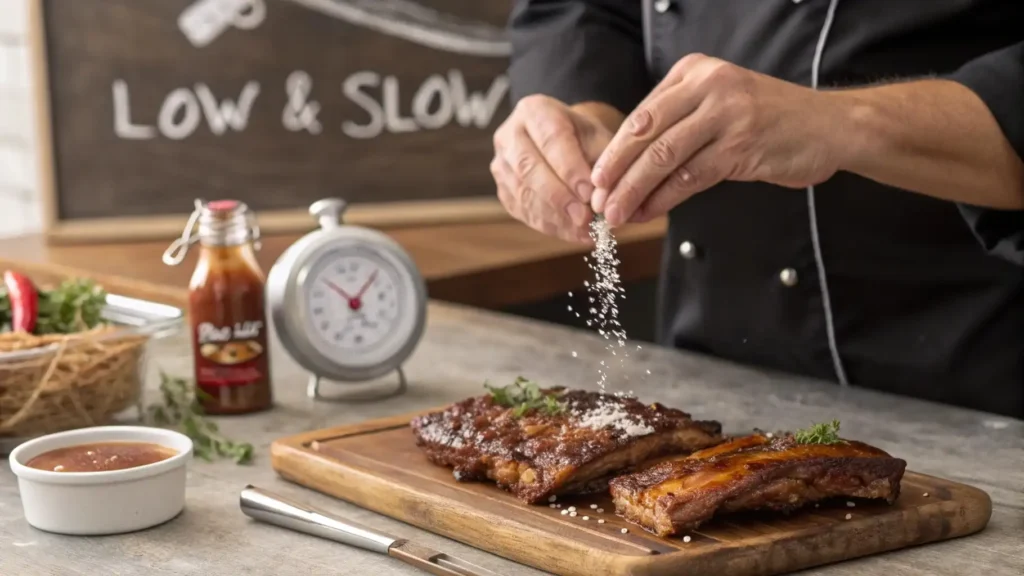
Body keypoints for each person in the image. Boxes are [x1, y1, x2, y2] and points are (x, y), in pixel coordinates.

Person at [490, 1, 1024, 419]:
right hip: (719, 370)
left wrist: (845, 122)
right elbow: (585, 10)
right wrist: (579, 105)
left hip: (982, 376)